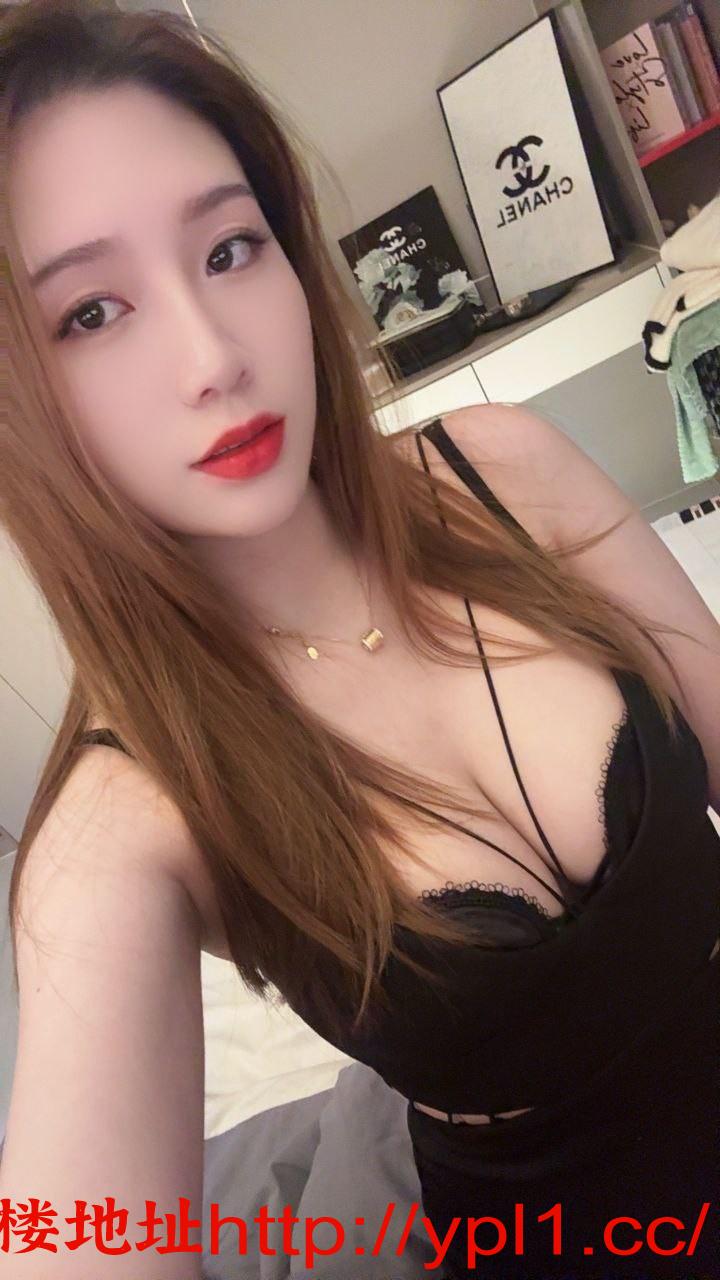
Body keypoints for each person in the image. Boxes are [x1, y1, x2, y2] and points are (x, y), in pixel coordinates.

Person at [0, 3, 718, 1277]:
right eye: (92, 313)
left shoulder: (500, 475)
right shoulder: (124, 820)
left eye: (230, 248)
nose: (213, 358)